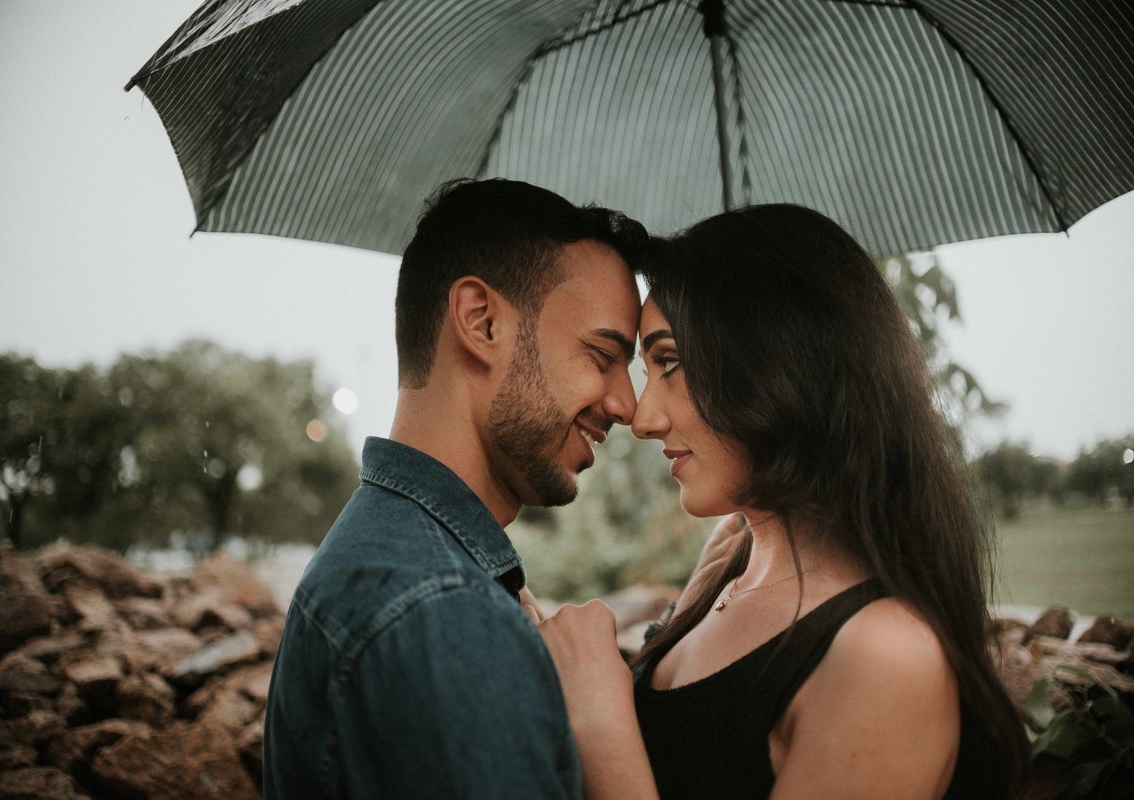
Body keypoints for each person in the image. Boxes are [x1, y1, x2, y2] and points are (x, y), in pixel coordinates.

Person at [532, 205, 1029, 799]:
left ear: (782, 360)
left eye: (671, 361)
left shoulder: (884, 654)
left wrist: (601, 723)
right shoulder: (734, 560)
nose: (642, 418)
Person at [263, 178, 648, 798]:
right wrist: (606, 736)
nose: (627, 404)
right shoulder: (440, 614)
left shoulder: (390, 564)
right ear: (481, 321)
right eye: (603, 355)